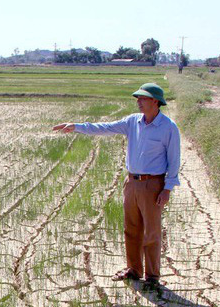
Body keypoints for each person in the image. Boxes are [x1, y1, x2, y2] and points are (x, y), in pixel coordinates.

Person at [53, 83, 181, 290]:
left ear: (155, 101)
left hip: (153, 184)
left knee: (152, 231)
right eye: (137, 98)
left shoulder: (168, 128)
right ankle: (134, 270)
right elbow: (104, 128)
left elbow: (174, 160)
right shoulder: (132, 122)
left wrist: (167, 189)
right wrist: (76, 126)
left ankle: (152, 277)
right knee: (131, 228)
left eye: (143, 98)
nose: (138, 101)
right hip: (132, 183)